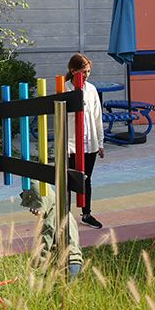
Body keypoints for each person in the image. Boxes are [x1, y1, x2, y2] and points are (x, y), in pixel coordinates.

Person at [65, 53, 105, 229]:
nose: (87, 74)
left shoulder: (92, 90)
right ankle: (64, 215)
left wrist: (101, 143)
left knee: (86, 179)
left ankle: (86, 213)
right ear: (73, 71)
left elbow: (97, 117)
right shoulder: (64, 89)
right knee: (69, 180)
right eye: (83, 71)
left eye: (88, 71)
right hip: (72, 145)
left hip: (90, 144)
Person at [19, 182, 83, 280]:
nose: (32, 210)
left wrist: (35, 267)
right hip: (73, 260)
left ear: (43, 201)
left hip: (68, 262)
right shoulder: (61, 210)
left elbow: (45, 243)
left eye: (34, 205)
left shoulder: (52, 217)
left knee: (63, 292)